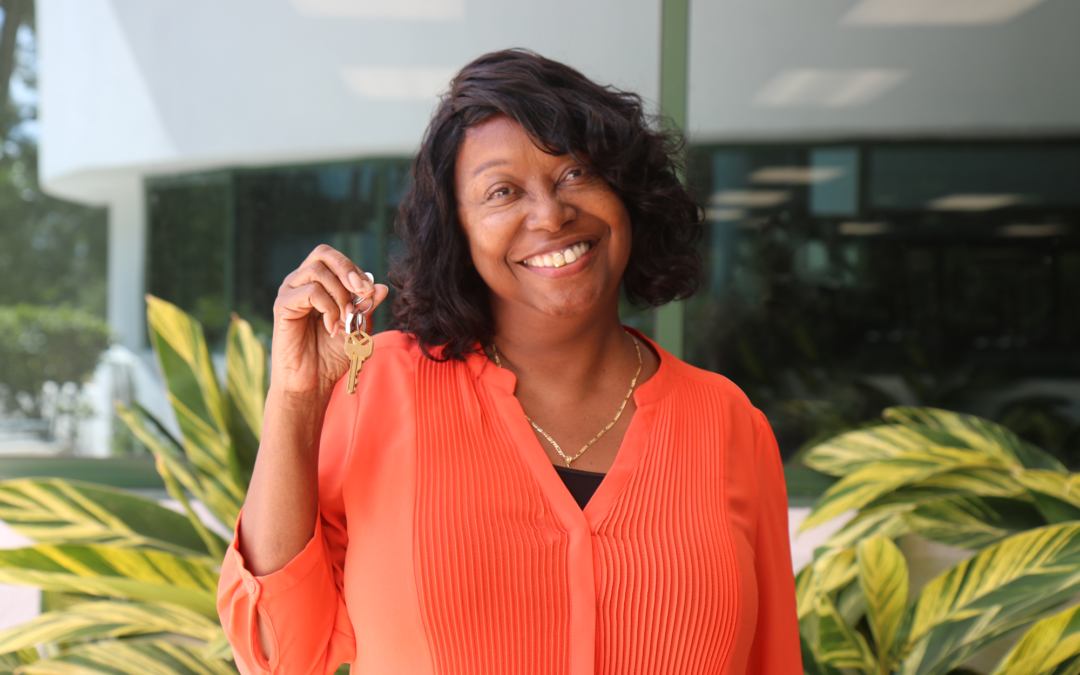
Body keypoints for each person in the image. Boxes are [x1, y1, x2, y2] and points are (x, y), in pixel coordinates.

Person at [217, 49, 802, 675]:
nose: (550, 214)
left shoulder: (729, 423)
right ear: (458, 232)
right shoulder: (380, 391)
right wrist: (297, 397)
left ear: (627, 192)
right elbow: (278, 654)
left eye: (576, 174)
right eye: (501, 192)